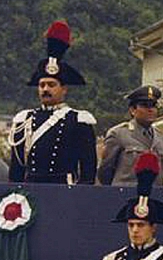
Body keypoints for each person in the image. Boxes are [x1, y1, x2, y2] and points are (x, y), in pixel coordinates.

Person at [9, 20, 98, 185]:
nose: (45, 89)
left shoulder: (78, 120)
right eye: (42, 85)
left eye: (51, 85)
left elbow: (88, 169)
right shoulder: (24, 119)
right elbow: (16, 169)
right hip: (31, 189)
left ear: (64, 89)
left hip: (64, 190)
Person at [98, 86, 163, 187]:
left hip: (154, 197)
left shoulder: (162, 138)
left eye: (153, 105)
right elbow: (105, 172)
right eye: (145, 105)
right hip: (125, 196)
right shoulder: (118, 134)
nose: (150, 110)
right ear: (132, 110)